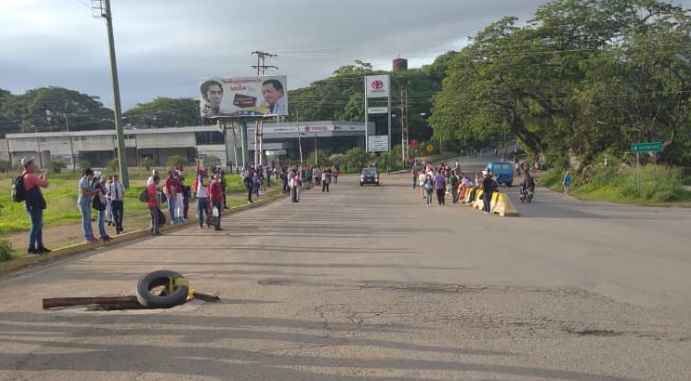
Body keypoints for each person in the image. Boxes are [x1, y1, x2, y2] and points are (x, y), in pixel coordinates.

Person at [20, 156, 50, 255]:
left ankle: (40, 246)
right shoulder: (30, 176)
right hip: (35, 205)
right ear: (27, 165)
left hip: (30, 204)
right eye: (32, 163)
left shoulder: (25, 175)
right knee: (36, 226)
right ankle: (31, 247)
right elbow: (45, 184)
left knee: (38, 226)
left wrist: (40, 177)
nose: (34, 165)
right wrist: (45, 176)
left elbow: (35, 182)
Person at [78, 168, 99, 243]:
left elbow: (89, 192)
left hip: (87, 202)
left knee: (88, 220)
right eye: (91, 175)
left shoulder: (87, 181)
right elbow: (84, 194)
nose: (92, 177)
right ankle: (87, 237)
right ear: (88, 175)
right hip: (83, 202)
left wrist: (94, 192)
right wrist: (94, 191)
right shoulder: (83, 181)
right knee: (86, 220)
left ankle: (91, 236)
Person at [92, 172, 111, 241]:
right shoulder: (96, 184)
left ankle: (103, 234)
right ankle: (101, 234)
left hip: (101, 202)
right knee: (101, 219)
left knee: (101, 219)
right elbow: (98, 192)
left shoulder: (97, 184)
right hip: (100, 202)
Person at [195, 159, 211, 228]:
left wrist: (197, 163)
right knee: (207, 212)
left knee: (201, 212)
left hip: (200, 197)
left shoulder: (199, 177)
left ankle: (201, 224)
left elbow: (197, 170)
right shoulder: (208, 179)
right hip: (206, 197)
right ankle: (208, 223)